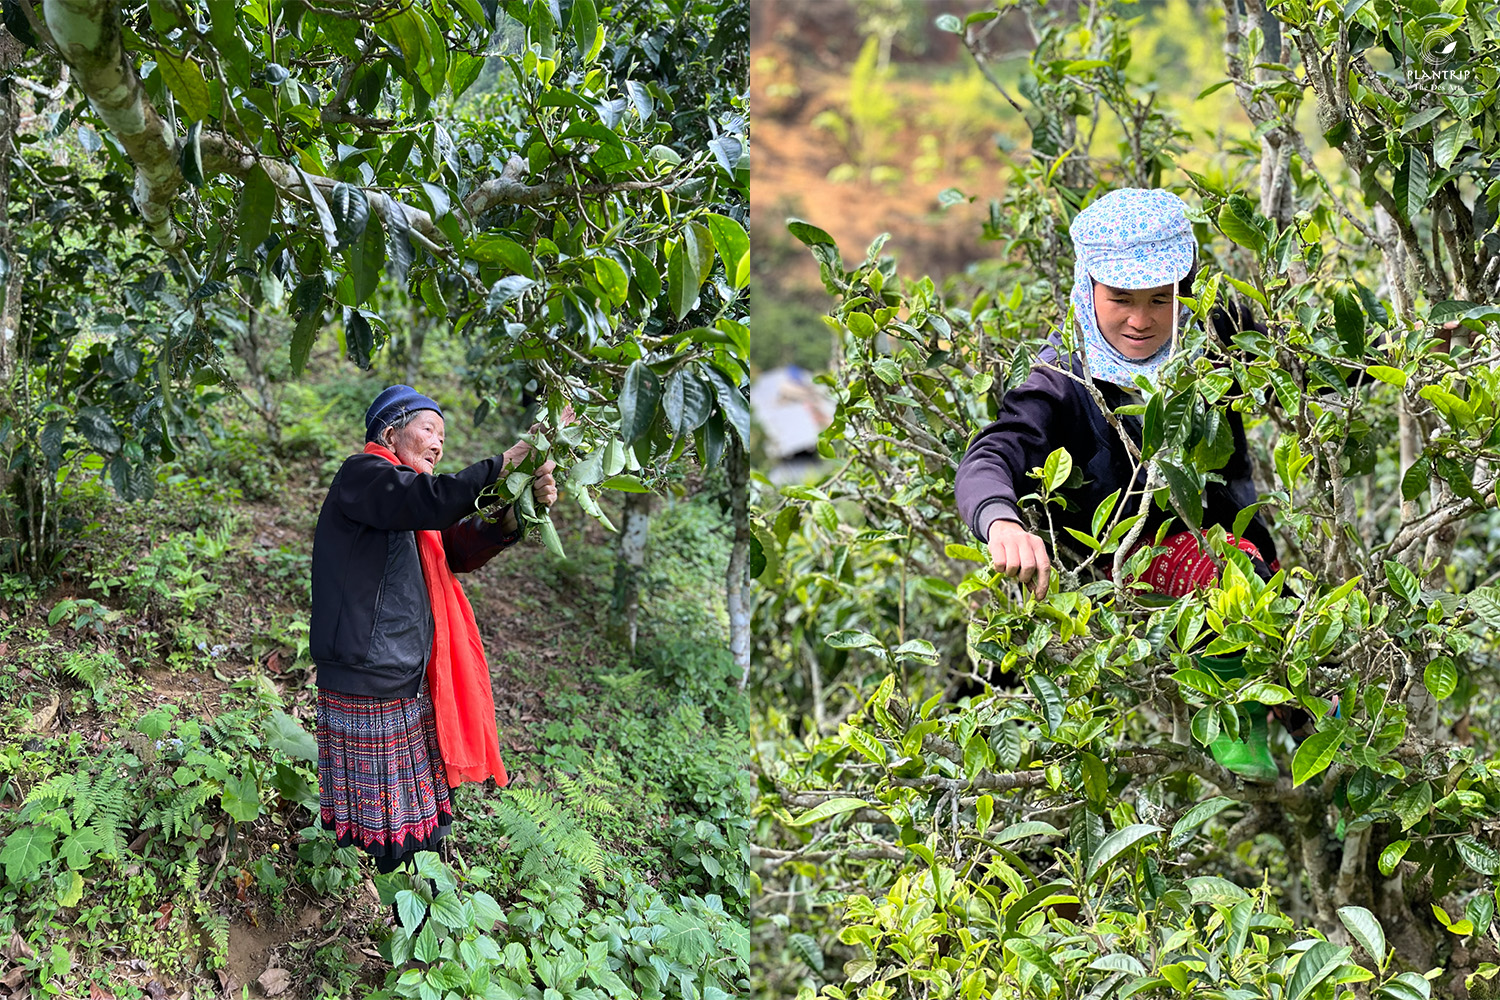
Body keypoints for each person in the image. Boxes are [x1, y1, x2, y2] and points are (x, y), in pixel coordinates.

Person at [954, 187, 1283, 779]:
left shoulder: (1214, 333)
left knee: (1295, 631)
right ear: (1089, 289)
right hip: (1115, 561)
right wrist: (1000, 520)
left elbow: (1304, 366)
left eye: (1162, 299)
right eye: (1122, 299)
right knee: (1226, 571)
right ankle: (1237, 726)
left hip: (1222, 532)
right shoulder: (1061, 377)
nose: (1141, 319)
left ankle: (1342, 784)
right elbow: (992, 453)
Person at [310, 384, 559, 883]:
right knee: (397, 828)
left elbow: (458, 549)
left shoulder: (406, 504)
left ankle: (426, 917)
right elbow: (436, 499)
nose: (439, 443)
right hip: (370, 675)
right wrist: (508, 462)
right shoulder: (365, 477)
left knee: (422, 814)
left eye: (444, 437)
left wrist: (514, 512)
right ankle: (415, 928)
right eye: (430, 429)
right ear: (389, 430)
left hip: (403, 672)